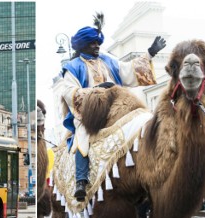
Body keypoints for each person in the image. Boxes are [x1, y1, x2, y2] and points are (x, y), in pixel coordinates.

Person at [57, 13, 165, 201]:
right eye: (93, 43)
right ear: (84, 45)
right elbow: (69, 93)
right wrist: (97, 91)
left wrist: (150, 53)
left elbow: (128, 71)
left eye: (98, 43)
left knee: (139, 123)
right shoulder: (73, 67)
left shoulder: (107, 61)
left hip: (116, 108)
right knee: (81, 137)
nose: (97, 46)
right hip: (90, 115)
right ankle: (81, 181)